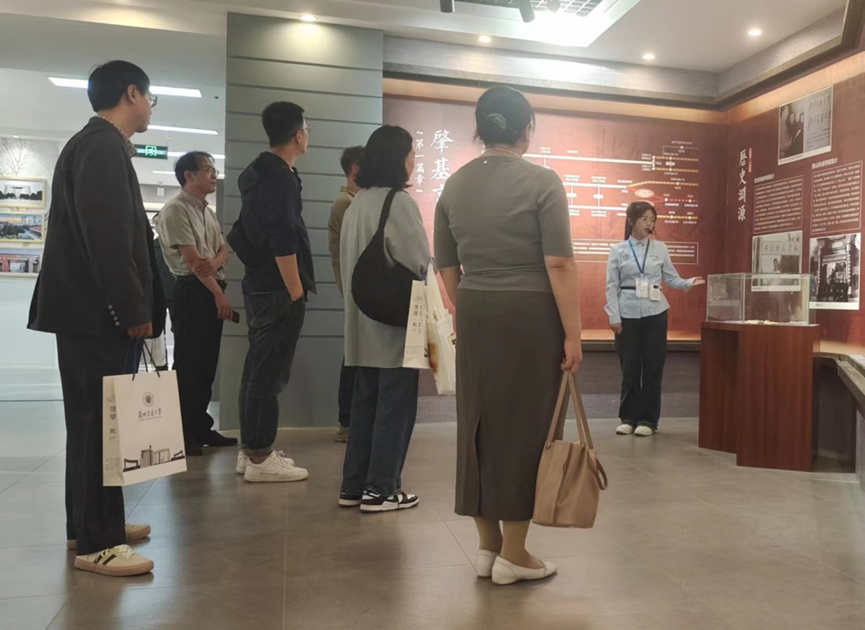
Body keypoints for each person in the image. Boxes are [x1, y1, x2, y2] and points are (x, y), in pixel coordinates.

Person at [435, 86, 583, 586]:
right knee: (528, 425)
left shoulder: (453, 185)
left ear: (481, 130)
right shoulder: (542, 182)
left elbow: (447, 267)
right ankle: (515, 554)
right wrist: (573, 334)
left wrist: (469, 305)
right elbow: (559, 263)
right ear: (526, 130)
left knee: (477, 422)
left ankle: (488, 547)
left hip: (476, 308)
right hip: (531, 313)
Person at [27, 60, 159, 577]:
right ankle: (98, 543)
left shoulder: (95, 144)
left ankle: (87, 525)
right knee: (100, 426)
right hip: (96, 316)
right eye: (150, 98)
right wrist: (131, 309)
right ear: (132, 94)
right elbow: (107, 239)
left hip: (85, 314)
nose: (150, 109)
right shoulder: (102, 147)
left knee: (92, 425)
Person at [338, 126, 429, 513]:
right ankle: (381, 489)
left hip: (361, 325)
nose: (414, 160)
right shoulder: (399, 202)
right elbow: (418, 262)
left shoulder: (357, 202)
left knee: (365, 406)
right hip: (394, 325)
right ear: (398, 158)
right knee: (395, 406)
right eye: (411, 153)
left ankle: (353, 486)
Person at [234, 102, 314, 483]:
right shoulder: (280, 177)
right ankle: (261, 456)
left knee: (256, 371)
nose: (308, 135)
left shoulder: (257, 173)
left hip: (259, 286)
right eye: (307, 129)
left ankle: (250, 450)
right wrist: (295, 290)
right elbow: (283, 237)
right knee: (269, 376)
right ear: (298, 135)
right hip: (278, 290)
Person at [153, 151, 236, 456]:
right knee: (188, 365)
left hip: (210, 287)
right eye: (208, 170)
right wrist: (218, 294)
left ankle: (201, 427)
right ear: (188, 176)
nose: (214, 175)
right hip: (191, 291)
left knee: (206, 366)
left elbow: (224, 251)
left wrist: (215, 262)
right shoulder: (175, 210)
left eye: (214, 170)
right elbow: (192, 262)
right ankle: (183, 433)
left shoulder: (206, 211)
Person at [605, 201, 704, 438]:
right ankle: (628, 418)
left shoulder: (660, 248)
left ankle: (648, 420)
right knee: (630, 368)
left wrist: (688, 283)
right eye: (645, 219)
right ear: (632, 221)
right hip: (627, 313)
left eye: (652, 220)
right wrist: (614, 316)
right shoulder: (618, 250)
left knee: (653, 367)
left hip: (656, 313)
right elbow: (611, 286)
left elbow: (671, 277)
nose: (649, 224)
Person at [328, 145, 364, 443]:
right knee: (353, 356)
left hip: (358, 290)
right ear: (355, 169)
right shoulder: (346, 203)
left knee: (356, 354)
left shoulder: (355, 202)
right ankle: (348, 421)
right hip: (356, 290)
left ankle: (350, 420)